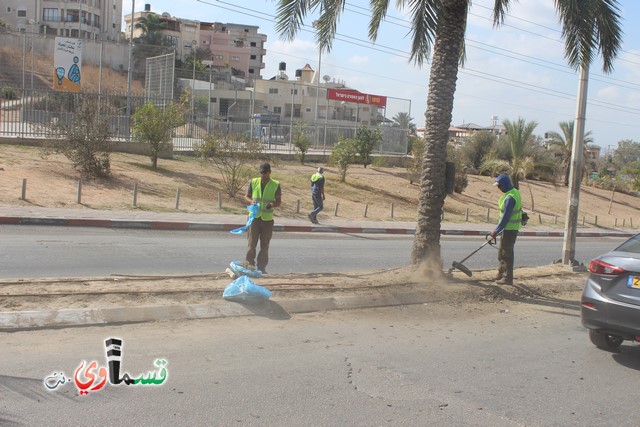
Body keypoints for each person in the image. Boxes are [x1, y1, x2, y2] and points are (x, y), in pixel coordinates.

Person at [243, 163, 281, 274]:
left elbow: (278, 202)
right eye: (261, 172)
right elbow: (246, 196)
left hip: (267, 220)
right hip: (254, 218)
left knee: (265, 245)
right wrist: (251, 201)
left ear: (270, 172)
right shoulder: (254, 182)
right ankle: (249, 266)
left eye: (265, 173)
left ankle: (261, 268)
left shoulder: (275, 184)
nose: (263, 175)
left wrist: (272, 205)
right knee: (251, 244)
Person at [489, 173, 522, 285]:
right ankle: (501, 274)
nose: (498, 188)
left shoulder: (510, 198)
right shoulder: (514, 192)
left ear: (504, 184)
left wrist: (496, 230)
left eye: (499, 186)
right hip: (508, 229)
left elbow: (506, 217)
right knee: (501, 253)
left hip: (510, 229)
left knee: (506, 254)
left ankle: (508, 278)